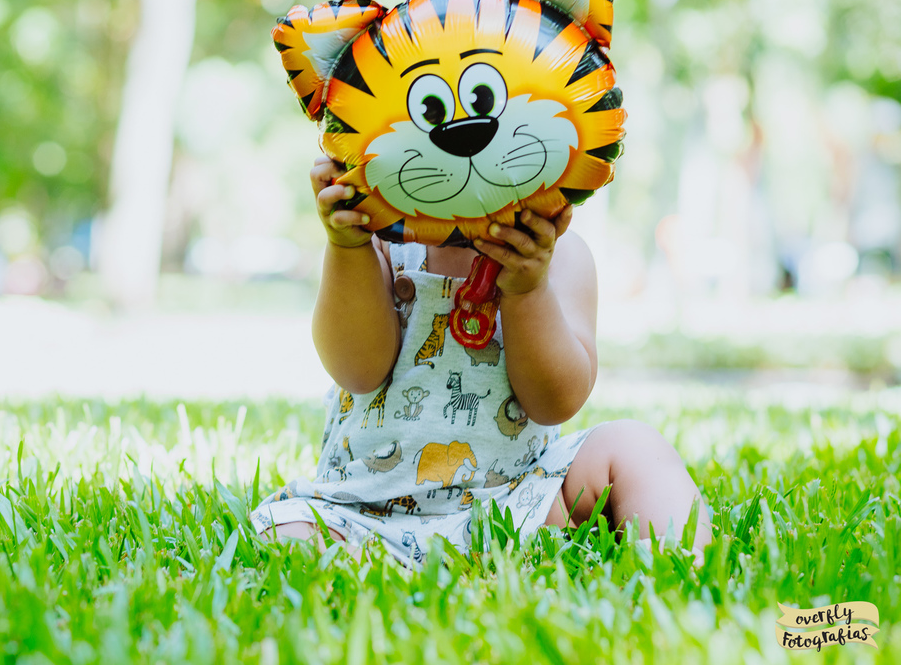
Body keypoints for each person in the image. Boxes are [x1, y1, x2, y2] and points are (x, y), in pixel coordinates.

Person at [248, 155, 713, 567]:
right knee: (291, 533)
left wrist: (528, 289)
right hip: (366, 513)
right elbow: (358, 370)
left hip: (519, 504)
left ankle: (680, 566)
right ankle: (371, 564)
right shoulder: (383, 245)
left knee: (633, 445)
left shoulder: (563, 257)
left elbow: (556, 402)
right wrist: (348, 246)